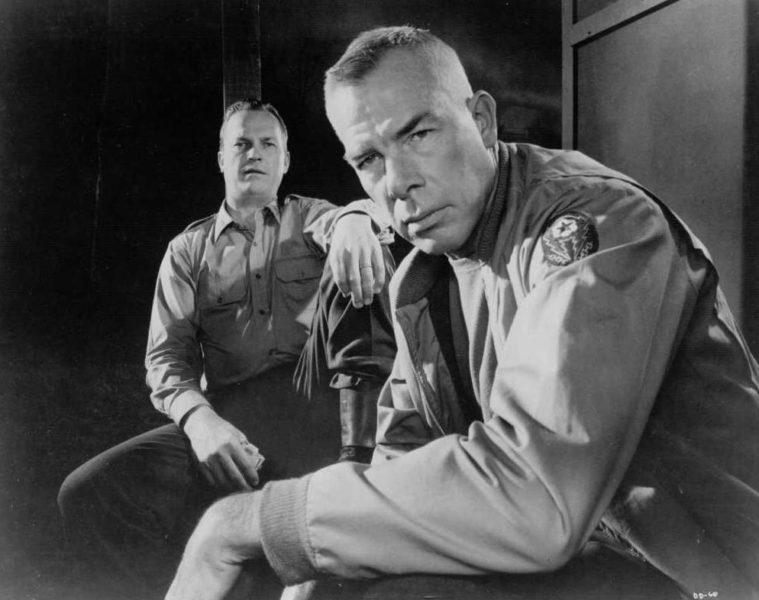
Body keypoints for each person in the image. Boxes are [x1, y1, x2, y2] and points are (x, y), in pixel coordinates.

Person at [165, 28, 759, 600]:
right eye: (369, 159)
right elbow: (404, 466)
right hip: (583, 559)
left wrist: (261, 522)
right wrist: (319, 565)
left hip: (699, 578)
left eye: (419, 134)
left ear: (481, 120)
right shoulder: (423, 281)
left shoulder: (594, 223)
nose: (398, 182)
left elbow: (537, 498)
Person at [57, 98, 396, 599]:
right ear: (221, 158)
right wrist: (202, 424)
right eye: (241, 144)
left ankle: (358, 460)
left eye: (267, 144)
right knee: (88, 491)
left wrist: (355, 222)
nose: (254, 153)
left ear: (285, 159)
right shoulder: (187, 251)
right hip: (234, 418)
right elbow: (166, 360)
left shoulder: (312, 218)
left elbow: (358, 215)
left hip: (318, 402)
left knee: (360, 251)